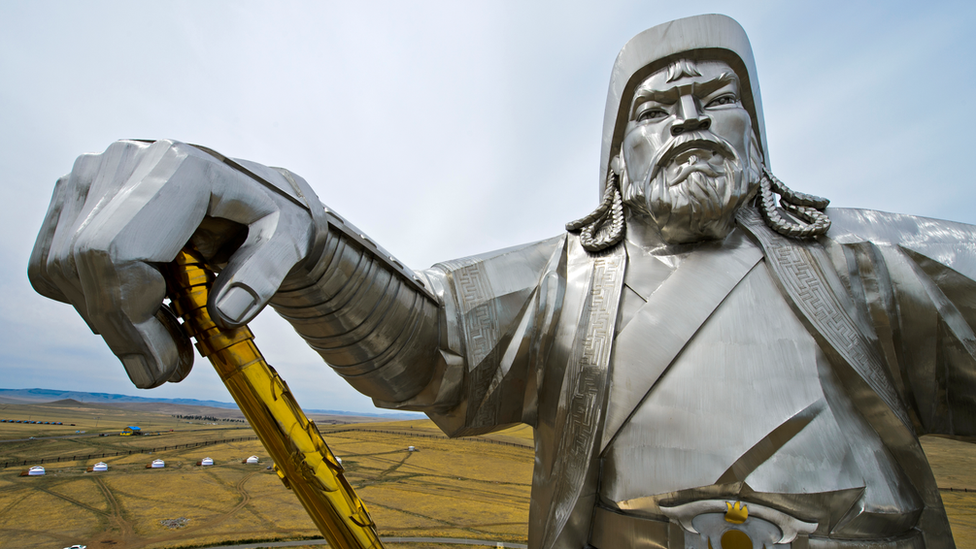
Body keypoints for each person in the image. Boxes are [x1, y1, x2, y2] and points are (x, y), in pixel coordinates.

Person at [29, 14, 974, 549]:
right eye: (656, 107)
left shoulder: (867, 262)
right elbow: (433, 344)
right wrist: (294, 229)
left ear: (757, 137)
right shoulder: (569, 284)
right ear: (615, 159)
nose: (688, 117)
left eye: (716, 98)